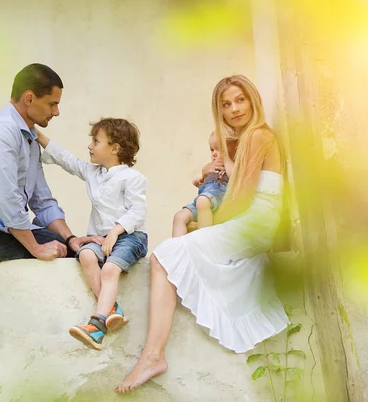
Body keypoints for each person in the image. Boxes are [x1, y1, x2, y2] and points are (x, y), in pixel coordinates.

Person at [116, 75, 290, 393]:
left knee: (165, 255)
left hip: (256, 221)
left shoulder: (259, 136)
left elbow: (241, 198)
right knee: (170, 252)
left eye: (240, 99)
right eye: (226, 104)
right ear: (219, 111)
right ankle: (152, 356)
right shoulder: (248, 139)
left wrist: (215, 190)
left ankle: (152, 357)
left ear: (253, 100)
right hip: (253, 221)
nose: (234, 108)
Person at [0, 63, 101, 263]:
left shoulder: (30, 139)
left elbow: (43, 202)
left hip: (1, 232)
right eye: (52, 104)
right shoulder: (2, 131)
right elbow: (5, 198)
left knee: (77, 251)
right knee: (66, 257)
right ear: (29, 98)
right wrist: (36, 248)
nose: (57, 112)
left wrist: (70, 238)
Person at [36, 118, 148, 351]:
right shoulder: (93, 173)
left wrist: (116, 231)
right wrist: (36, 134)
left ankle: (96, 326)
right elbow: (66, 159)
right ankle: (112, 310)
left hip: (129, 236)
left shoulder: (132, 178)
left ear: (115, 148)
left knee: (109, 269)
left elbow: (138, 211)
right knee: (86, 256)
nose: (90, 146)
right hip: (101, 238)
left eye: (96, 141)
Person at [172, 133, 229, 237]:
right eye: (212, 150)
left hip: (216, 202)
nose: (214, 154)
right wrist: (201, 180)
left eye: (218, 149)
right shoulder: (211, 166)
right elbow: (209, 183)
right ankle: (177, 249)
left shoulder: (229, 166)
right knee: (179, 216)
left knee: (202, 201)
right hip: (203, 201)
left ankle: (203, 241)